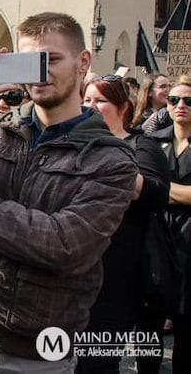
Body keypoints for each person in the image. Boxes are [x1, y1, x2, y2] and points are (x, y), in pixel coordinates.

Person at [0, 13, 137, 373]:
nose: (40, 73)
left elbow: (64, 246)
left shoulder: (111, 157)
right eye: (30, 62)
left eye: (52, 59)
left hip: (37, 347)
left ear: (83, 62)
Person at [79, 76, 170, 374]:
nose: (91, 107)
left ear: (124, 108)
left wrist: (105, 159)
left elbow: (155, 194)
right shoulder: (73, 141)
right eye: (87, 100)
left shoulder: (141, 145)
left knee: (97, 361)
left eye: (100, 101)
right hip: (74, 268)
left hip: (117, 273)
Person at [150, 76, 191, 373]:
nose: (181, 106)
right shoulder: (152, 140)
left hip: (189, 246)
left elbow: (151, 187)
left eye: (188, 101)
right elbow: (137, 184)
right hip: (155, 242)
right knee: (148, 329)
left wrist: (160, 189)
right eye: (174, 100)